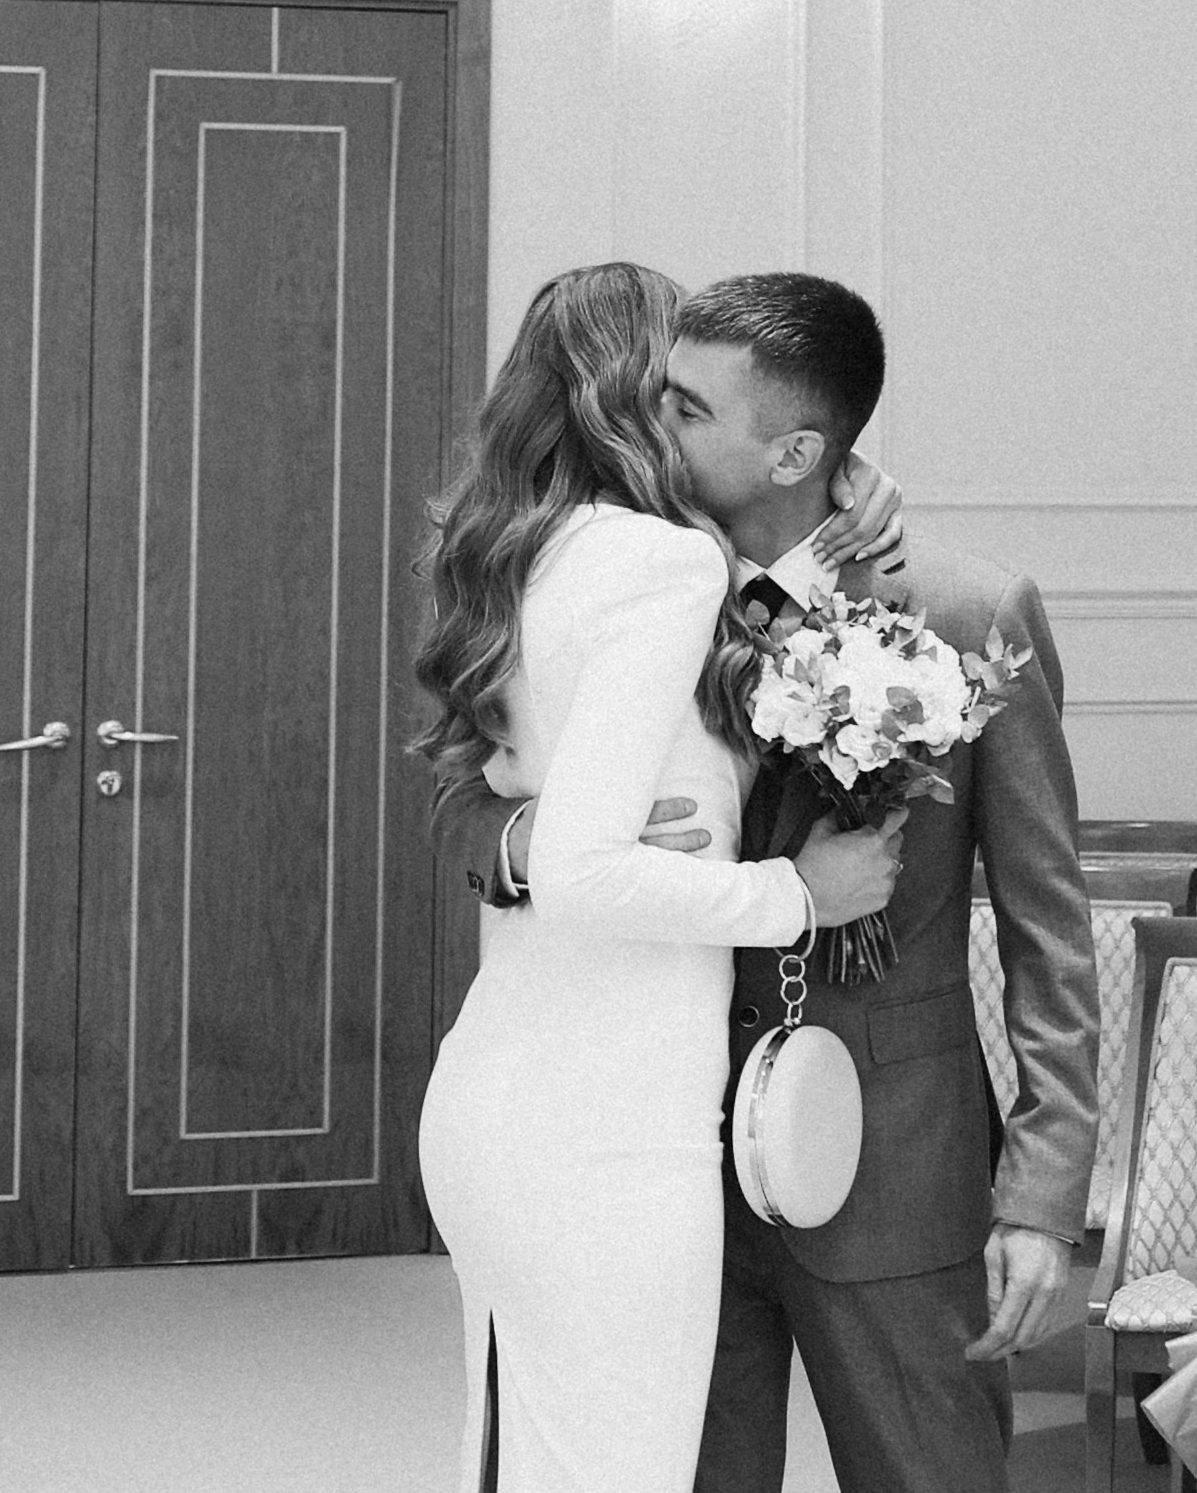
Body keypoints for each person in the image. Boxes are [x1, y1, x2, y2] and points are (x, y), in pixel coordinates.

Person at [442, 270, 1101, 1493]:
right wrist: (526, 841)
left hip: (891, 1165)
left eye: (683, 405)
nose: (647, 414)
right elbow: (474, 795)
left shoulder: (962, 611)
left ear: (796, 451)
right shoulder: (638, 581)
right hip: (667, 1153)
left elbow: (1045, 928)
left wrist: (1039, 1192)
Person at [414, 263, 907, 1493]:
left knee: (525, 1461)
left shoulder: (521, 554)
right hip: (607, 1124)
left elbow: (745, 635)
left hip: (499, 1094)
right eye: (679, 393)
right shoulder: (659, 564)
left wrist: (835, 501)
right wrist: (795, 896)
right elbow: (581, 871)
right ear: (631, 393)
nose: (690, 412)